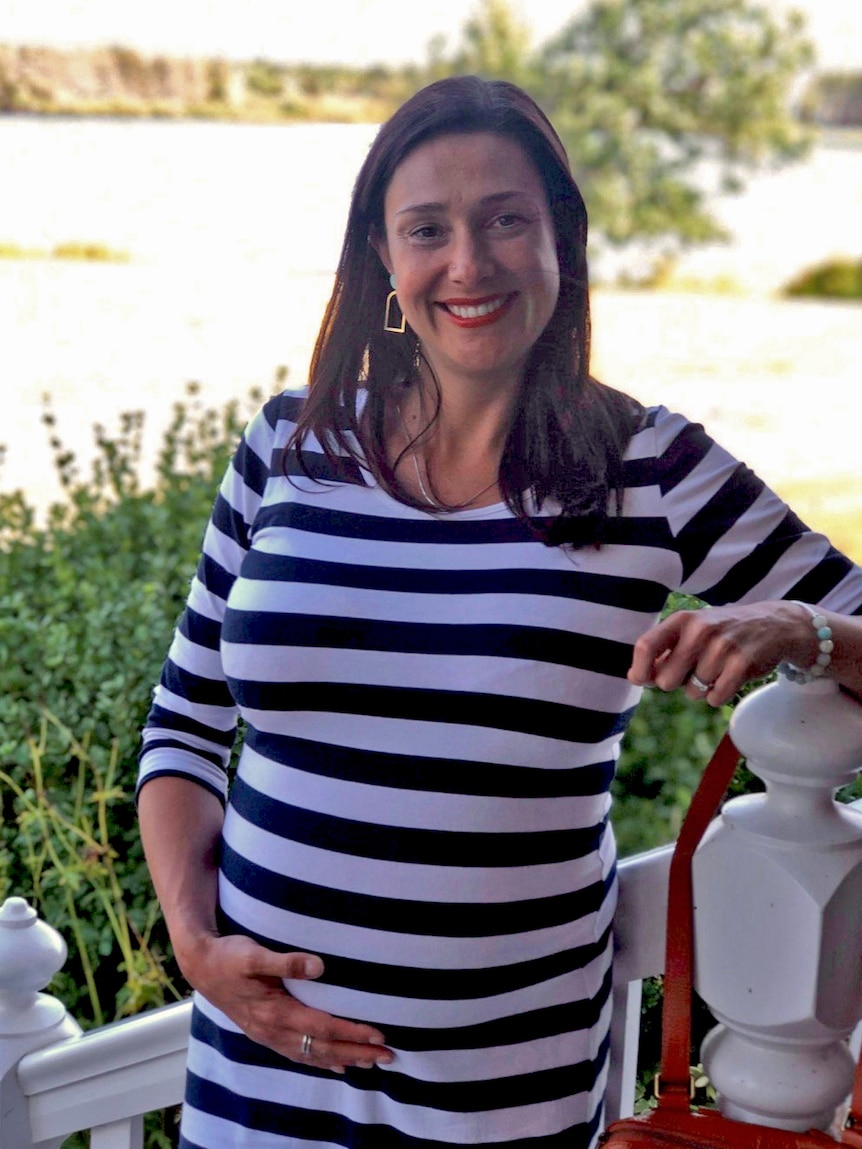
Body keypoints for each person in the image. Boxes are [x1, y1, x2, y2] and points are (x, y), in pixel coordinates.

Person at [137, 75, 862, 1149]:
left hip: (499, 1096)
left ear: (561, 241)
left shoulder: (650, 467)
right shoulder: (288, 446)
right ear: (383, 256)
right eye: (427, 228)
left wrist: (801, 631)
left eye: (506, 221)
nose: (468, 264)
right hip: (257, 1070)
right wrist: (196, 945)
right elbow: (187, 722)